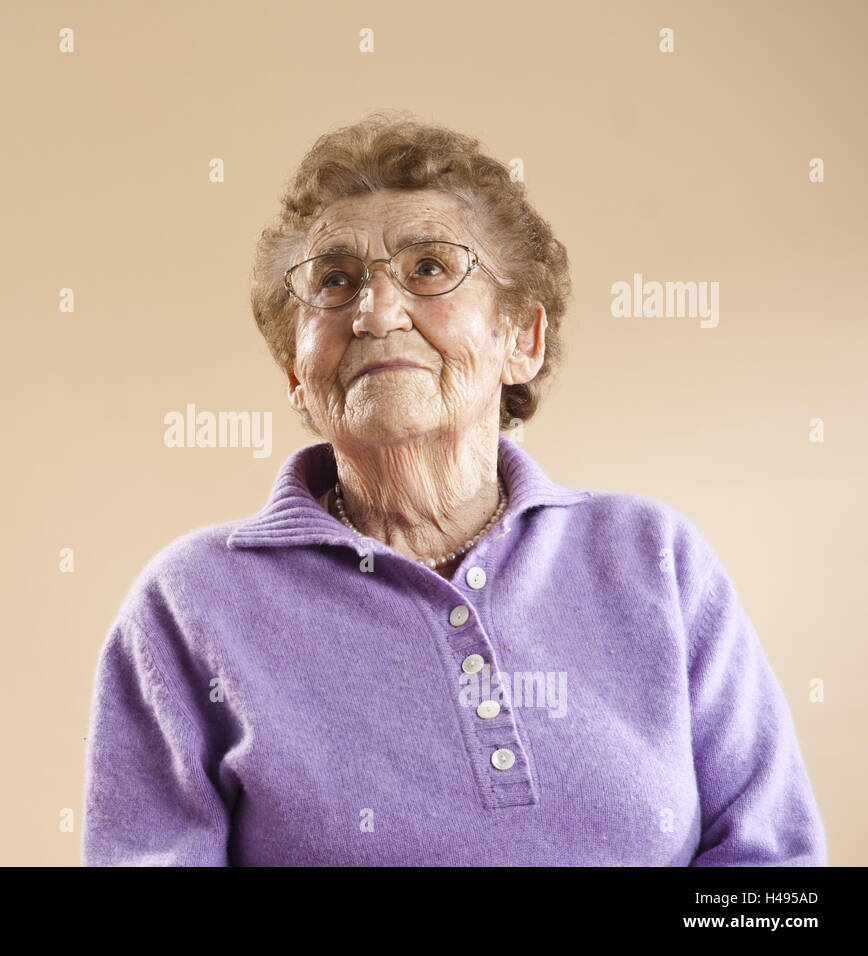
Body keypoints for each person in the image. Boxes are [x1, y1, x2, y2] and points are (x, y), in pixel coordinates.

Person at [80, 111, 828, 866]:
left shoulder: (655, 560)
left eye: (430, 268)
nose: (376, 311)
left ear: (521, 339)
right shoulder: (190, 604)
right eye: (334, 281)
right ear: (296, 377)